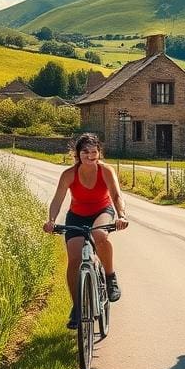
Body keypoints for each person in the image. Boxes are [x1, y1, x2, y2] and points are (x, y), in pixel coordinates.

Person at [43, 133, 129, 329]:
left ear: (99, 153)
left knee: (99, 235)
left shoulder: (105, 171)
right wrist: (51, 221)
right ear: (77, 154)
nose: (90, 156)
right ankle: (77, 307)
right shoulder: (69, 174)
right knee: (74, 259)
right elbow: (57, 200)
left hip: (102, 211)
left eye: (94, 152)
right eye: (85, 152)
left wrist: (121, 215)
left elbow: (116, 195)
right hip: (77, 215)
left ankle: (110, 277)